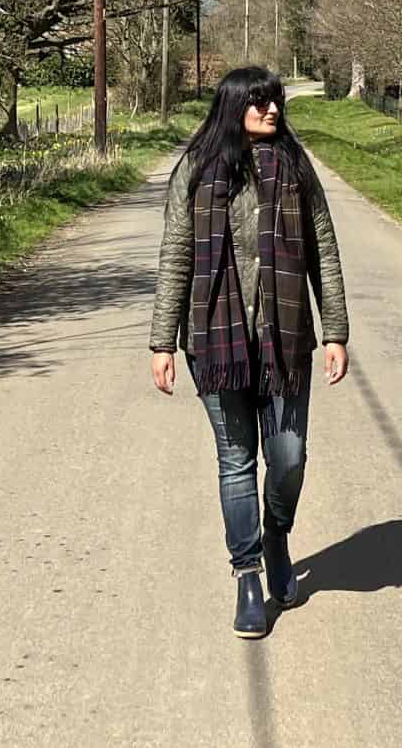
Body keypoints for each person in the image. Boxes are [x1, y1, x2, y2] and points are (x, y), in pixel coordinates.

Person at [149, 66, 350, 638]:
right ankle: (248, 576)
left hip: (286, 342)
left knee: (288, 458)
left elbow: (324, 250)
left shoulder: (295, 166)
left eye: (276, 102)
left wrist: (335, 330)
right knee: (235, 462)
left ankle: (276, 535)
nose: (272, 111)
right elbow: (175, 257)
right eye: (260, 102)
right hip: (215, 343)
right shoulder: (195, 170)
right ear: (233, 105)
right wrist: (162, 342)